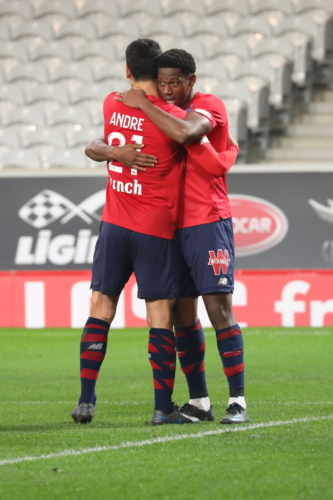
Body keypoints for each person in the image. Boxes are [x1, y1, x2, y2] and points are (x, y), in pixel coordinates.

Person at [73, 39, 237, 426]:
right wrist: (229, 151)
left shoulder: (113, 102)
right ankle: (163, 408)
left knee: (100, 306)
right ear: (160, 75)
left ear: (128, 72)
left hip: (113, 224)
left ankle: (85, 400)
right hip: (155, 230)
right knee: (160, 315)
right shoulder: (173, 117)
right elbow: (195, 145)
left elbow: (94, 146)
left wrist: (114, 152)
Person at [113, 49, 249, 425]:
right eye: (163, 82)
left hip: (207, 221)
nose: (169, 89)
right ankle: (200, 401)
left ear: (192, 80)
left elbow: (188, 131)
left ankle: (237, 401)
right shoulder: (156, 107)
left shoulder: (209, 104)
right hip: (170, 225)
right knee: (184, 316)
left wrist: (145, 103)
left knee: (218, 309)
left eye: (176, 82)